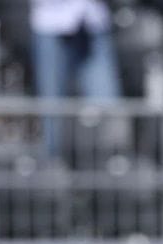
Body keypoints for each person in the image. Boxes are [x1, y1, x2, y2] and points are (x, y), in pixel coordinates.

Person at [29, 0, 121, 156]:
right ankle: (54, 162)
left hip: (93, 21)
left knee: (107, 103)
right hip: (50, 22)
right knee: (52, 104)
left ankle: (112, 163)